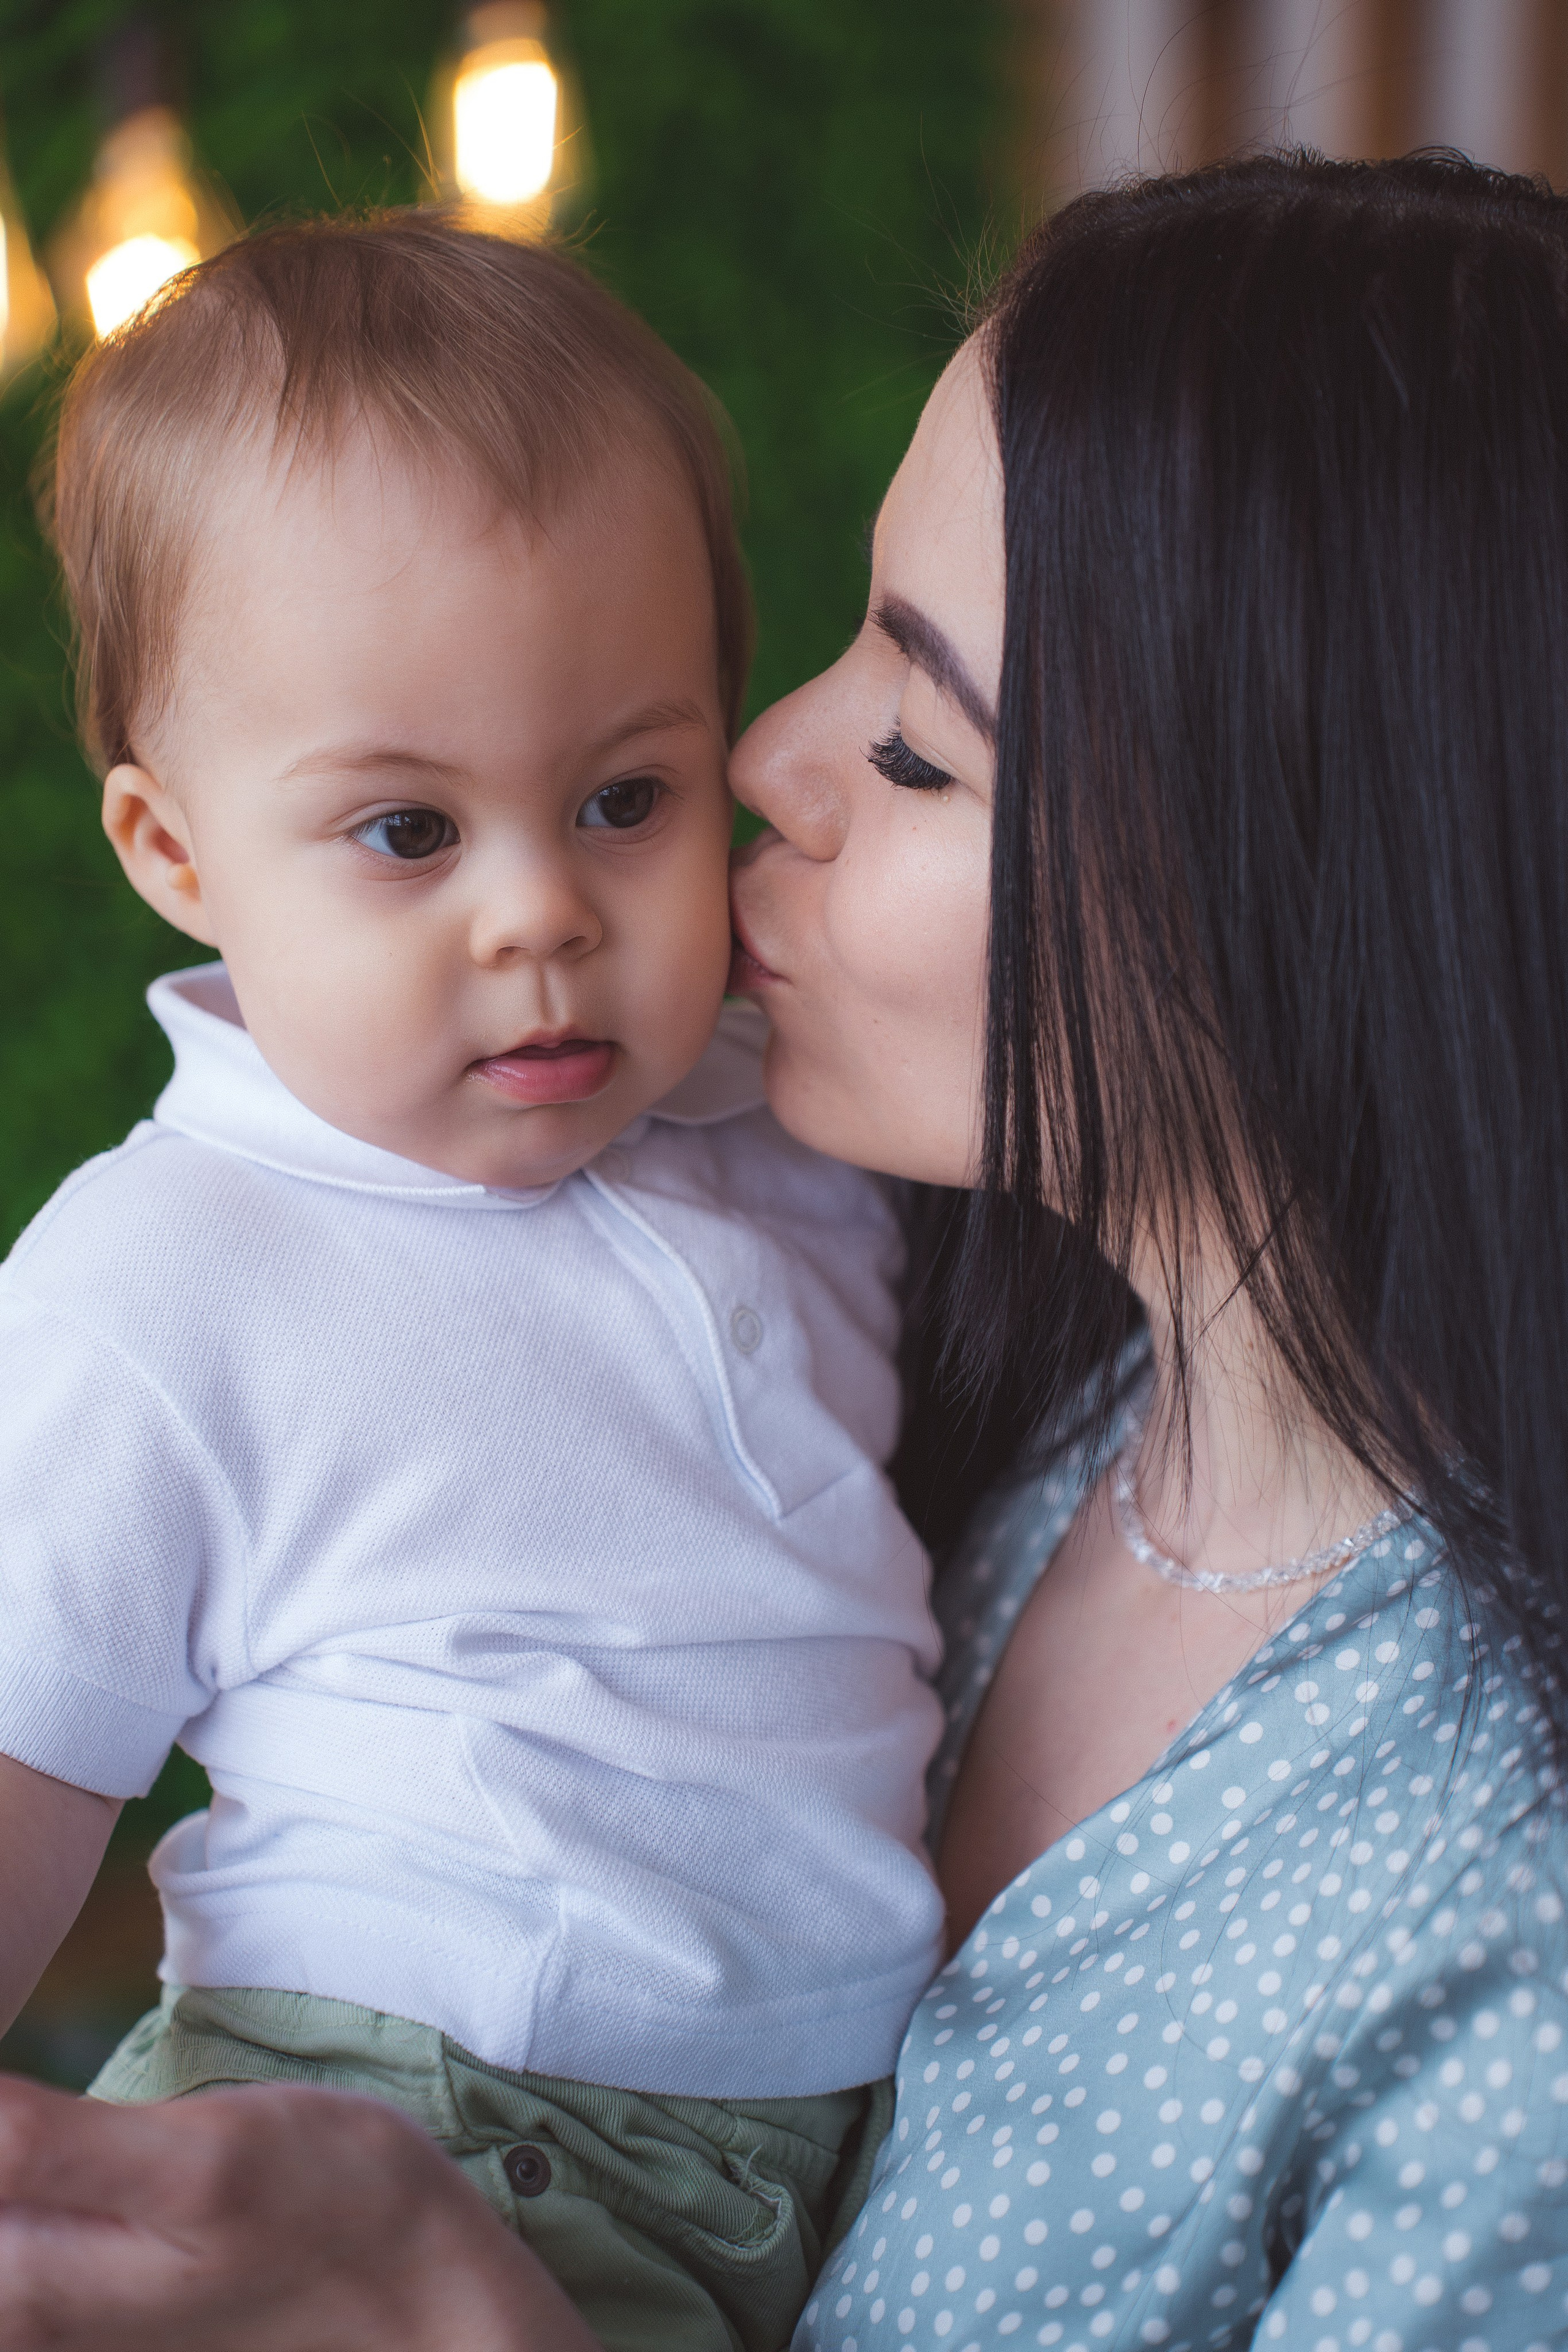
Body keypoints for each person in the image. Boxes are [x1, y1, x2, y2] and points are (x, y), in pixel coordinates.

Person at [2, 148, 1567, 2352]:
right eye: (408, 825)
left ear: (1300, 878)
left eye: (918, 747)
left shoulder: (1501, 1941)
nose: (764, 764)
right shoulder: (1017, 1381)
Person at [0, 214, 947, 2352]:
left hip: (836, 2158)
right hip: (400, 2128)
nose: (542, 915)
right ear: (176, 851)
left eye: (626, 797)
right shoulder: (163, 1280)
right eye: (408, 834)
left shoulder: (788, 1129)